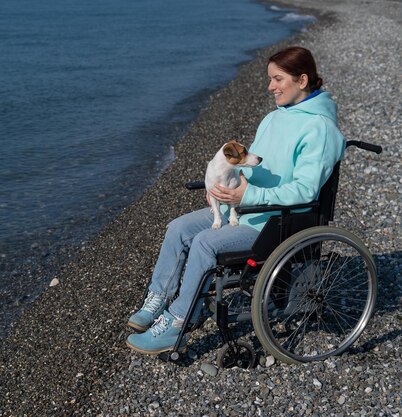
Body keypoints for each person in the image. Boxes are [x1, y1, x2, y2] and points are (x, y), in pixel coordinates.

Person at [126, 46, 346, 355]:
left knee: (204, 242)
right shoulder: (273, 118)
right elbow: (248, 167)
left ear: (302, 80)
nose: (270, 87)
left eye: (277, 79)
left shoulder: (321, 129)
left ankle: (177, 321)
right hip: (242, 207)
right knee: (178, 228)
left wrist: (248, 195)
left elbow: (306, 192)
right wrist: (221, 186)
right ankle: (159, 299)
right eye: (270, 79)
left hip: (275, 221)